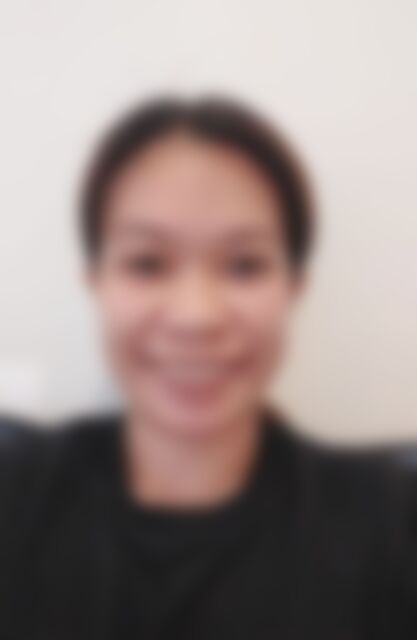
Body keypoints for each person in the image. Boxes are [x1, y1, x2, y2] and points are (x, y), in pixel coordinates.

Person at [0, 95, 416, 640]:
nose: (196, 316)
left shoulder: (393, 519)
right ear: (96, 283)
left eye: (244, 265)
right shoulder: (15, 489)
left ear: (293, 287)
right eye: (147, 263)